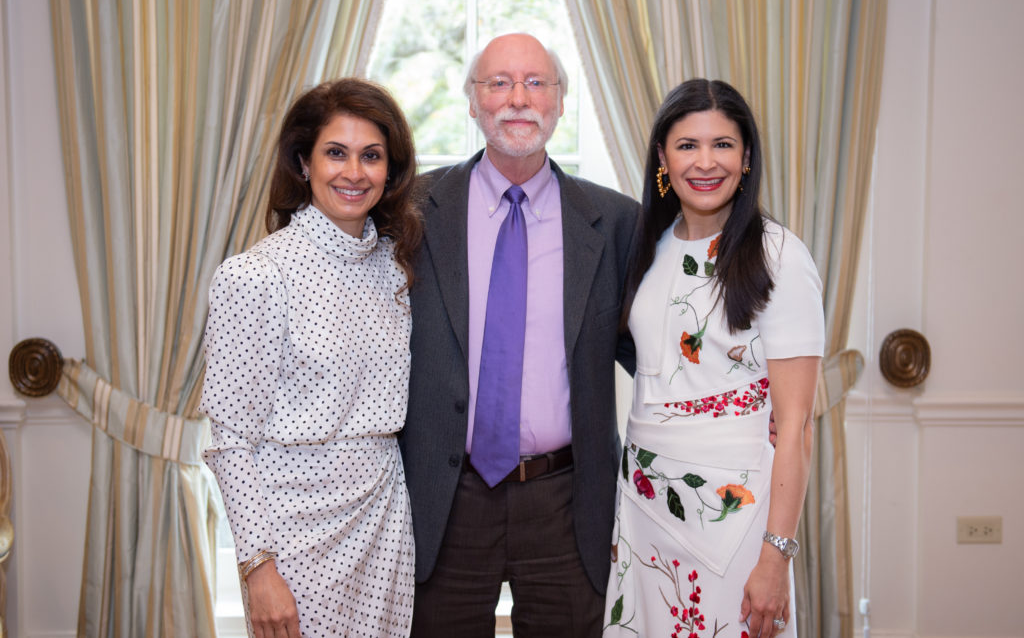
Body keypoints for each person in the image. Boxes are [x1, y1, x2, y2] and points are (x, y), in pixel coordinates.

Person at [400, 33, 641, 636]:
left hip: (566, 500)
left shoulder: (615, 221)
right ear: (473, 102)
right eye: (498, 83)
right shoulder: (410, 210)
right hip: (447, 498)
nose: (517, 99)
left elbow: (656, 353)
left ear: (560, 102)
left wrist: (745, 407)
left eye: (536, 83)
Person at [200, 78, 422, 638]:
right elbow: (229, 441)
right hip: (294, 539)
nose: (354, 172)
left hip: (385, 526)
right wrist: (258, 570)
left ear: (390, 170)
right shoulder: (255, 276)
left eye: (371, 156)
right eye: (335, 153)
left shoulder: (394, 268)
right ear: (303, 162)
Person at [603, 79, 823, 638]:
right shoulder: (645, 247)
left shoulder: (779, 256)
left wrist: (776, 557)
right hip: (644, 507)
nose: (705, 162)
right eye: (687, 145)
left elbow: (796, 424)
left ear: (746, 157)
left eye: (723, 144)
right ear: (662, 156)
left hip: (738, 521)